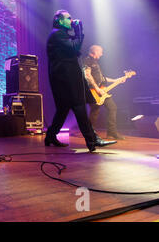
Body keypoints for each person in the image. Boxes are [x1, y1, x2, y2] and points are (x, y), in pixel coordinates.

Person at [45, 10, 116, 151]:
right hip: (67, 78)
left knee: (63, 109)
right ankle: (92, 140)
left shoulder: (59, 35)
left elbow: (73, 48)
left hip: (62, 78)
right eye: (68, 18)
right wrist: (79, 31)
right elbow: (75, 47)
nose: (71, 20)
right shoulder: (57, 34)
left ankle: (50, 136)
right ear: (59, 20)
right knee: (79, 107)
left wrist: (77, 32)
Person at [83, 45, 126, 140]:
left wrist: (115, 80)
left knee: (112, 107)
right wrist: (97, 89)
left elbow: (102, 78)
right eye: (100, 52)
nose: (102, 54)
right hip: (93, 90)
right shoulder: (87, 61)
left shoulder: (96, 63)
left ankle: (111, 133)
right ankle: (90, 133)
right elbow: (88, 76)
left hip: (102, 89)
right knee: (95, 110)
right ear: (95, 51)